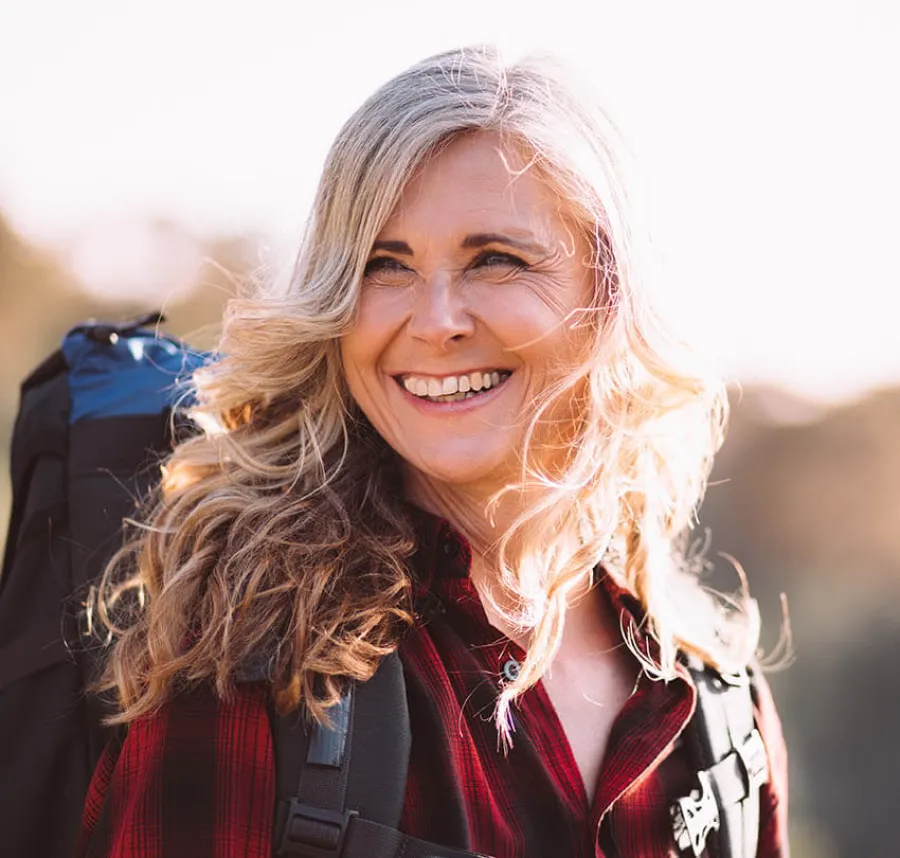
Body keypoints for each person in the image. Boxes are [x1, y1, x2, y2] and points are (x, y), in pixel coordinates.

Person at [77, 46, 788, 857]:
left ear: (606, 292)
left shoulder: (719, 709)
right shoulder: (255, 675)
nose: (436, 318)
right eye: (386, 265)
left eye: (495, 259)